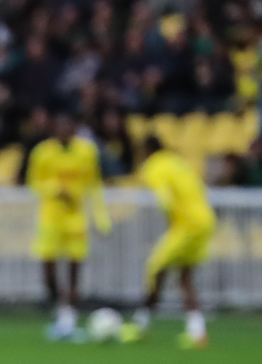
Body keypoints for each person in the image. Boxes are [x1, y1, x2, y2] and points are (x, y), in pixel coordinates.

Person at [26, 109, 110, 340]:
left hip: (75, 218)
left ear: (74, 129)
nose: (64, 132)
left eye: (68, 128)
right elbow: (34, 182)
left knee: (74, 271)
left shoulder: (86, 152)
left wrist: (101, 218)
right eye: (60, 128)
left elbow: (93, 183)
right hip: (51, 217)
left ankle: (68, 321)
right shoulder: (42, 153)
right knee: (49, 273)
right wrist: (56, 189)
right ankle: (60, 309)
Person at [120, 143, 213, 351]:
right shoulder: (178, 162)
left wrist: (171, 222)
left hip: (186, 224)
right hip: (205, 219)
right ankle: (197, 331)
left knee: (155, 268)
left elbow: (165, 198)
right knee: (185, 276)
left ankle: (140, 325)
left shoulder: (154, 166)